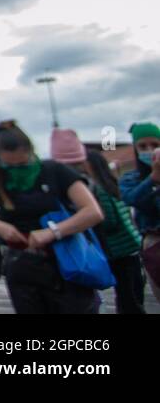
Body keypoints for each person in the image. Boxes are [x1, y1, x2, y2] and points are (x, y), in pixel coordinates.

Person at [0, 120, 104, 314]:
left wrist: (52, 232)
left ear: (30, 151)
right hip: (22, 264)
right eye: (8, 165)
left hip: (64, 258)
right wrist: (0, 227)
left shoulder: (54, 171)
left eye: (21, 163)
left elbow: (92, 212)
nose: (16, 169)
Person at [51, 130, 146, 314]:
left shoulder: (98, 191)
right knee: (132, 296)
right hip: (129, 248)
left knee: (128, 299)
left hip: (119, 251)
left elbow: (108, 221)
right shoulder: (111, 186)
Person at [120, 121, 160, 302]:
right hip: (154, 241)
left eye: (155, 145)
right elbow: (132, 198)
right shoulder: (131, 178)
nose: (149, 150)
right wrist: (153, 179)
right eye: (142, 146)